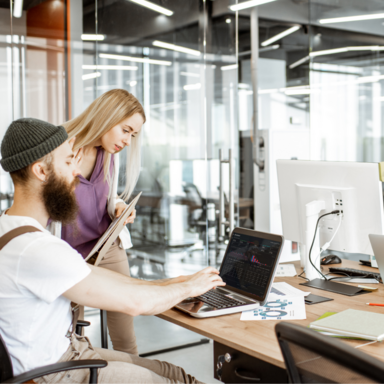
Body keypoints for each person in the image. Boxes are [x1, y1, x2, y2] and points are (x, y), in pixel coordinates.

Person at [0, 117, 225, 384]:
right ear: (41, 171)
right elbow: (136, 303)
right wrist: (188, 289)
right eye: (68, 161)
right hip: (56, 372)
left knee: (171, 371)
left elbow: (101, 279)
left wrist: (177, 282)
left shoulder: (11, 228)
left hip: (66, 352)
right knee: (181, 382)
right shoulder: (37, 249)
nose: (77, 172)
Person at [50, 89, 145, 355]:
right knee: (69, 336)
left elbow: (106, 193)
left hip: (106, 246)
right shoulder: (60, 148)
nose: (127, 140)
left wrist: (118, 205)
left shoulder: (109, 153)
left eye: (133, 135)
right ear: (108, 116)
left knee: (126, 335)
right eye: (125, 130)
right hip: (70, 254)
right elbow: (44, 206)